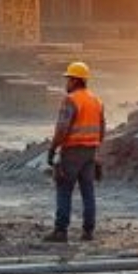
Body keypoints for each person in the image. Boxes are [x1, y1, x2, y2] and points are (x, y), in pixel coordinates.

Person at [44, 60, 106, 243]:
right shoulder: (96, 101)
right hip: (90, 152)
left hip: (72, 152)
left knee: (64, 189)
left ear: (75, 80)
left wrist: (52, 148)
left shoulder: (71, 100)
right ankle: (88, 231)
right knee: (88, 191)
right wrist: (94, 149)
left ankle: (61, 231)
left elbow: (62, 129)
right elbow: (102, 129)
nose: (66, 83)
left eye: (68, 79)